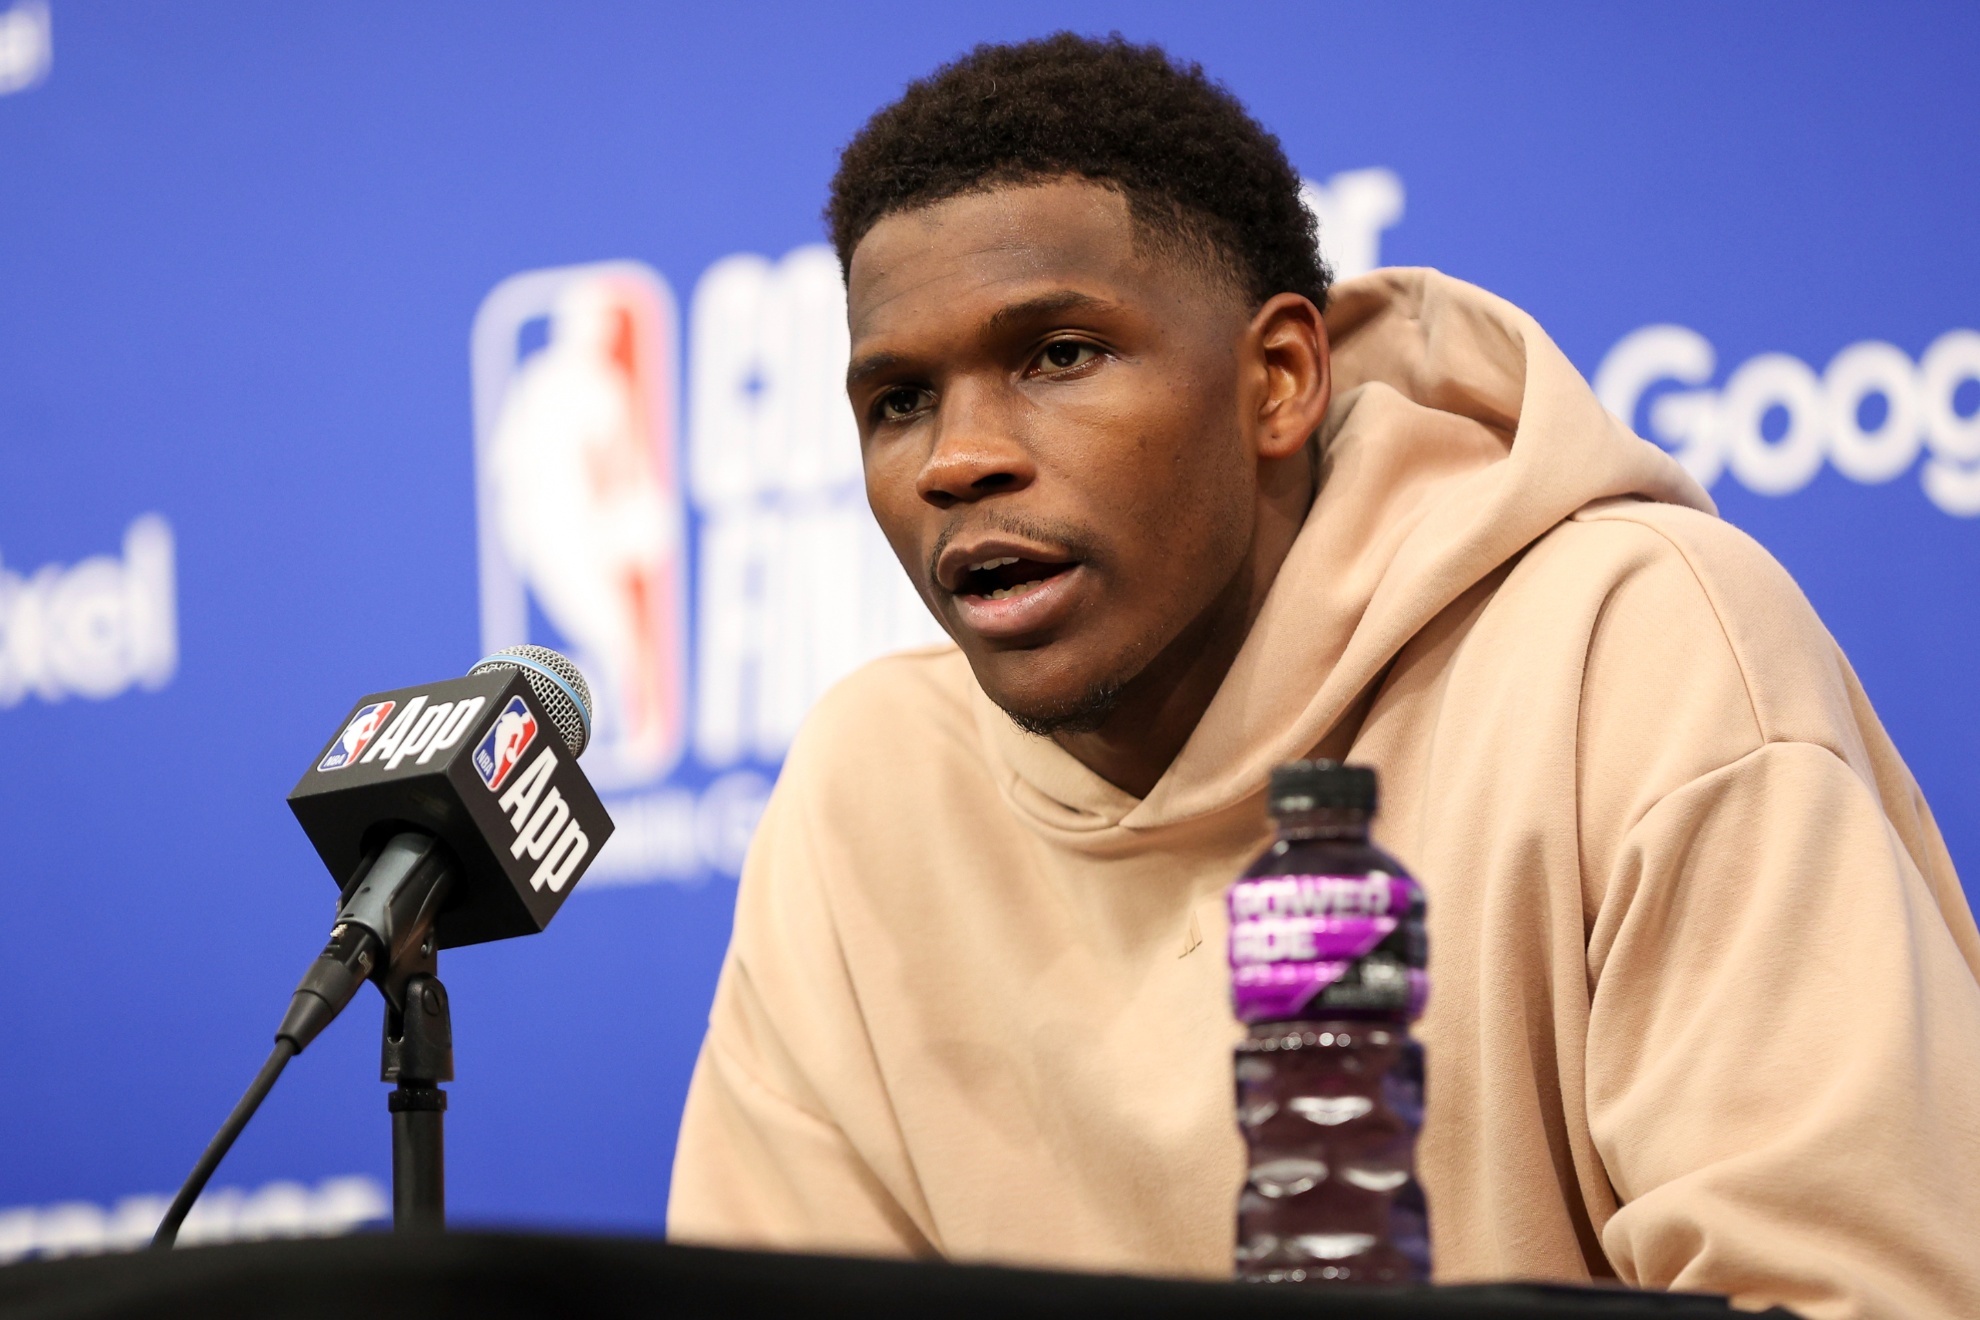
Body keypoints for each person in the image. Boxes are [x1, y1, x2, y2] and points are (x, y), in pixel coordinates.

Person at [667, 33, 1980, 1320]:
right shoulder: (868, 788)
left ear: (1280, 379)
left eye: (1058, 355)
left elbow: (1860, 1295)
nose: (957, 460)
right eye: (898, 400)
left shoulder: (1633, 649)